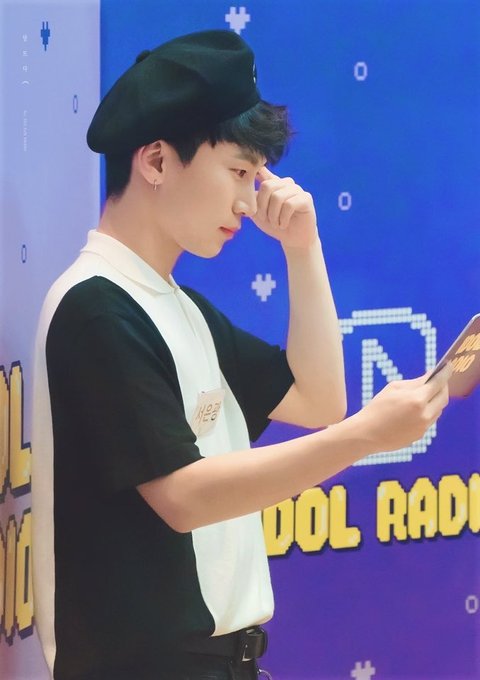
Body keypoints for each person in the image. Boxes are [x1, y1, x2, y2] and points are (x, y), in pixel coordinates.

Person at [31, 29, 451, 680]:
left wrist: (303, 249)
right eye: (237, 172)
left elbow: (319, 400)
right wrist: (367, 437)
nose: (248, 201)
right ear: (156, 160)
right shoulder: (97, 308)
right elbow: (184, 496)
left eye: (257, 177)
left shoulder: (179, 307)